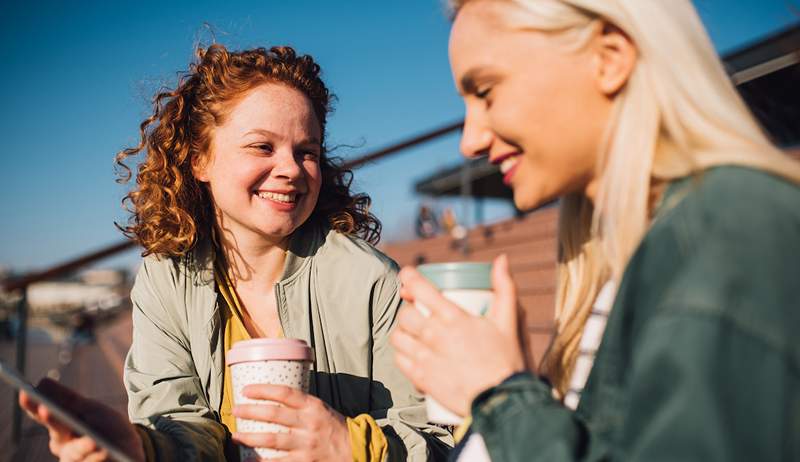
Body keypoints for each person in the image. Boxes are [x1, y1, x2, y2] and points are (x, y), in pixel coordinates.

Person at [391, 1, 800, 460]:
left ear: (609, 58)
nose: (470, 141)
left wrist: (501, 397)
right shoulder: (623, 255)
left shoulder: (729, 233)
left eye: (485, 91)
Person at [21, 44, 452, 461]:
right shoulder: (165, 279)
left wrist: (349, 446)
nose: (289, 168)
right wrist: (142, 448)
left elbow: (434, 439)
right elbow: (178, 422)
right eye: (262, 146)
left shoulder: (372, 281)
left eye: (307, 152)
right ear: (200, 160)